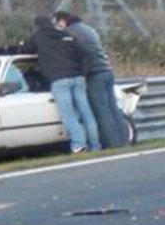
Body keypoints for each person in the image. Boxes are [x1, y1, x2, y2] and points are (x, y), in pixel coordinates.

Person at [20, 15, 98, 152]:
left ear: (37, 26)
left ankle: (79, 144)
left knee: (69, 114)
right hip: (78, 78)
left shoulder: (38, 36)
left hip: (59, 79)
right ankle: (96, 145)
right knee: (86, 113)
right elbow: (87, 55)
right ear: (51, 23)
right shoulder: (66, 35)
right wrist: (84, 73)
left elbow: (25, 50)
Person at [54, 11, 128, 148]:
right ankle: (124, 140)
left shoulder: (70, 33)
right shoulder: (88, 29)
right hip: (106, 70)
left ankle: (112, 144)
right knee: (113, 109)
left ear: (62, 21)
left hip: (94, 74)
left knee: (102, 110)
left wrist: (83, 73)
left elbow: (82, 55)